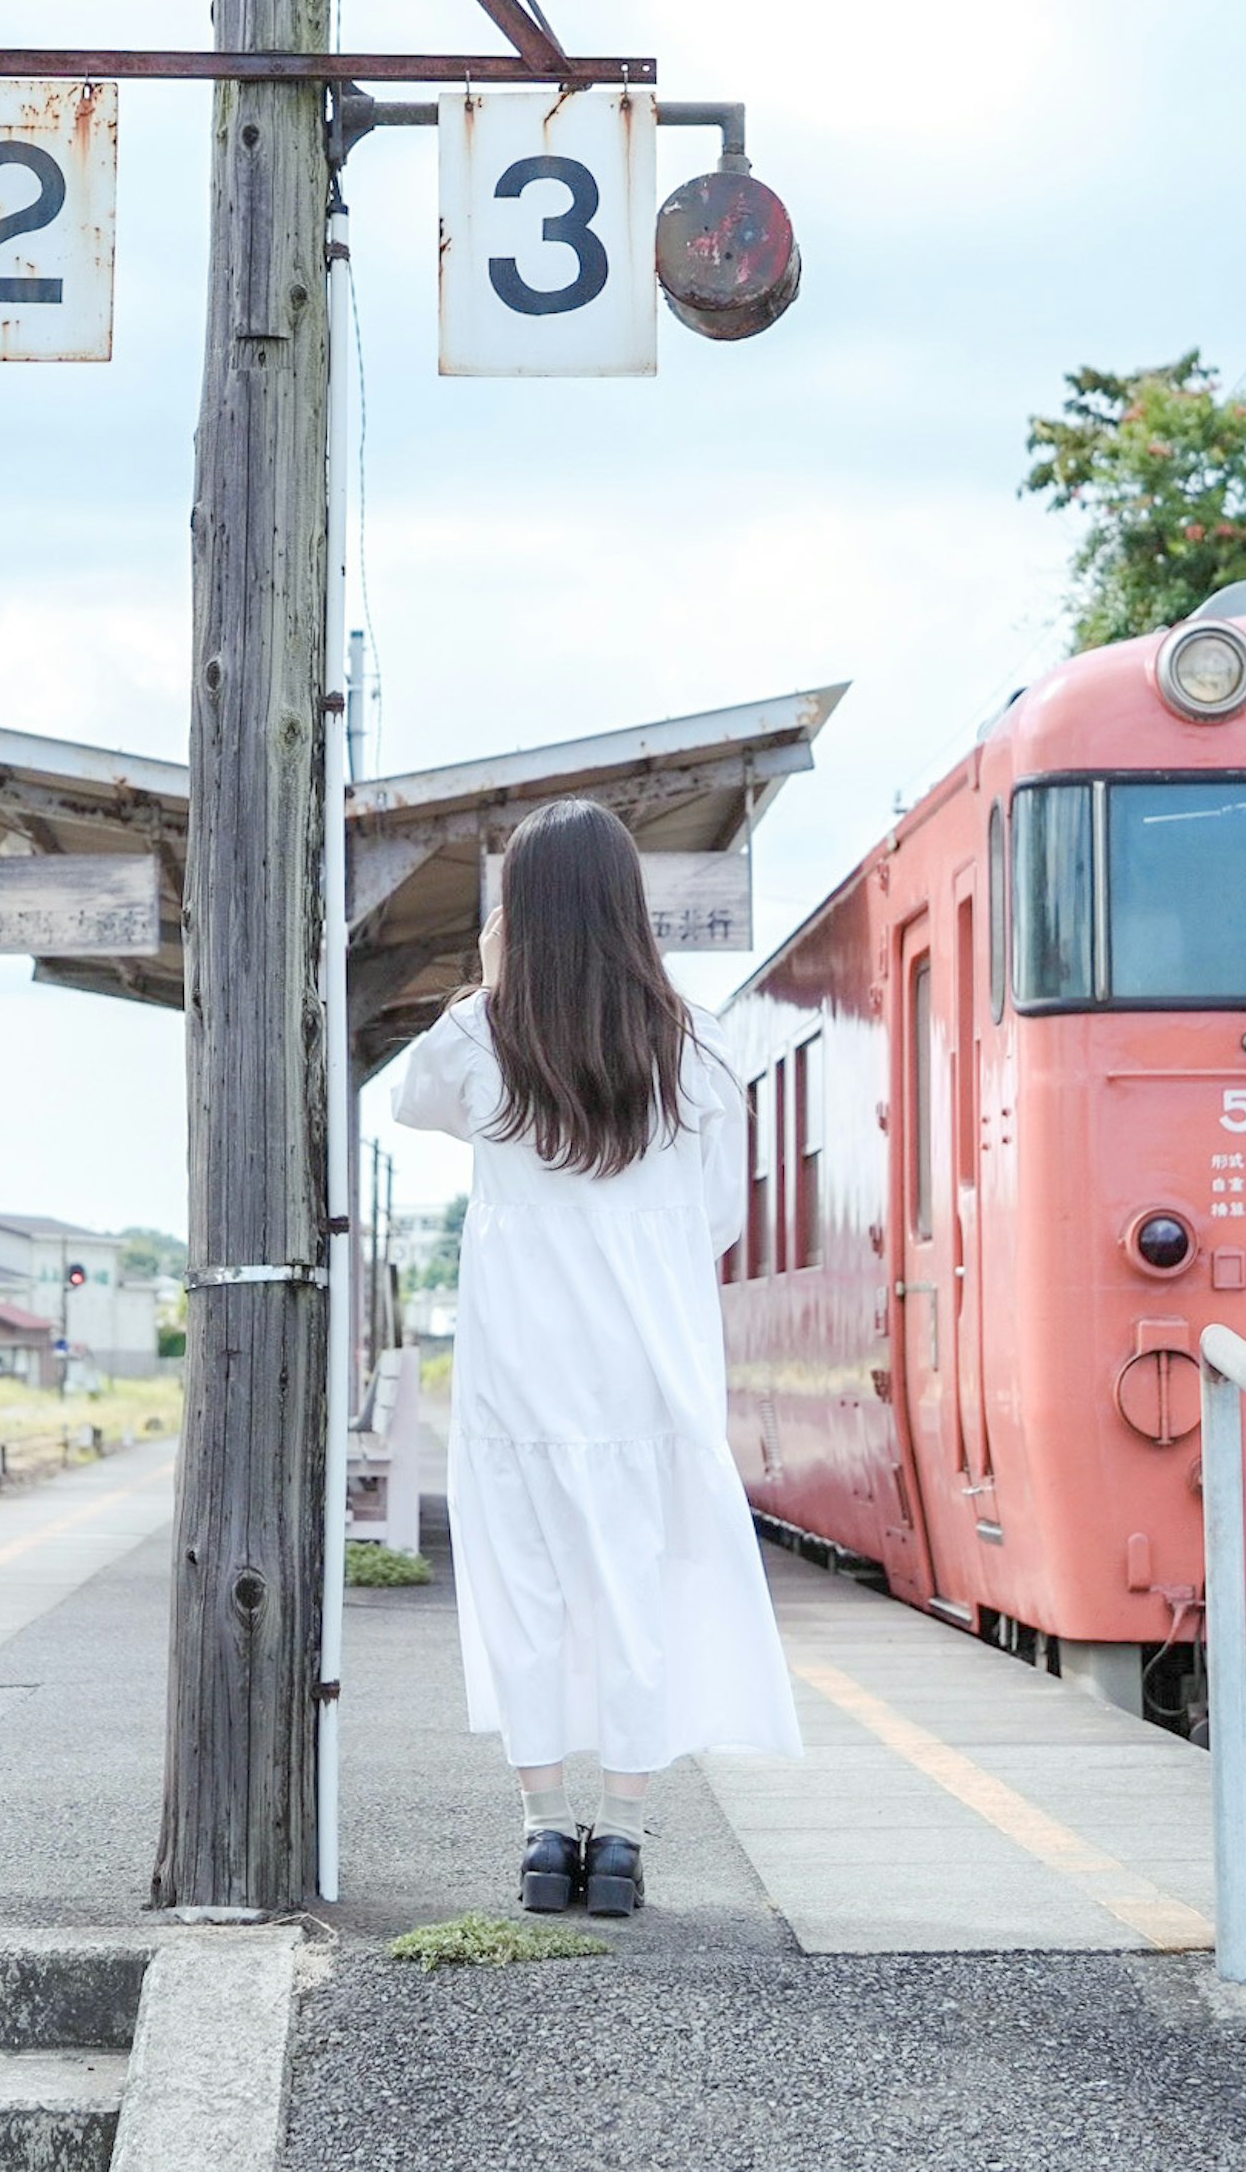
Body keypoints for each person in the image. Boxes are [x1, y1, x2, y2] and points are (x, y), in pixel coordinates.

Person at [391, 798, 800, 1920]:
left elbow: (407, 1099)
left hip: (519, 1367)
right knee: (635, 1595)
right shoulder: (701, 1042)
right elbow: (717, 1220)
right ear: (629, 902)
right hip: (651, 1370)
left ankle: (540, 1836)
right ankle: (618, 1838)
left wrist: (488, 974)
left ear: (517, 910)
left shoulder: (480, 1038)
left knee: (526, 1592)